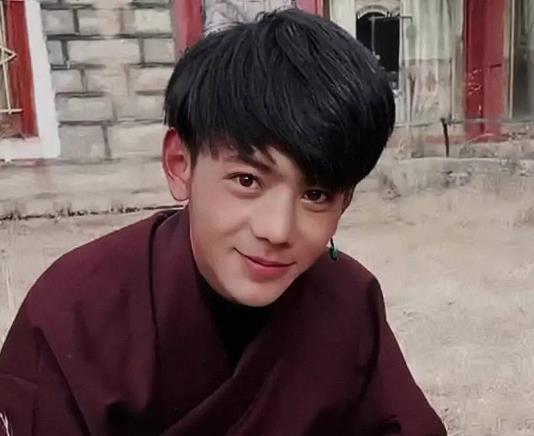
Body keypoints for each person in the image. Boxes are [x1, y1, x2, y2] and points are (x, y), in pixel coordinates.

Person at [0, 9, 446, 436]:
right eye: (247, 180)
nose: (277, 230)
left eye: (316, 195)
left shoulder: (347, 300)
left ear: (344, 202)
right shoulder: (75, 312)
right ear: (180, 164)